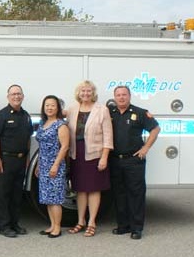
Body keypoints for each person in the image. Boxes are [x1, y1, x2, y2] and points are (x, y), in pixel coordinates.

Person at [109, 85, 160, 240]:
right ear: (115, 97)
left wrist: (145, 148)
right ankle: (123, 226)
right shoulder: (110, 113)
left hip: (134, 161)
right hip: (115, 160)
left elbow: (155, 129)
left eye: (124, 94)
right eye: (118, 95)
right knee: (119, 194)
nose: (121, 97)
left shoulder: (140, 112)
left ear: (129, 96)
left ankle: (137, 228)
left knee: (136, 194)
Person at [64, 80, 113, 237]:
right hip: (76, 154)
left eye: (88, 91)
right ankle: (80, 221)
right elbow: (57, 114)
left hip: (94, 154)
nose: (85, 94)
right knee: (80, 189)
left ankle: (92, 222)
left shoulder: (102, 110)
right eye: (82, 91)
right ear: (78, 93)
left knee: (93, 189)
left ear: (93, 93)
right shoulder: (72, 108)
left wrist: (104, 157)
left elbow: (108, 136)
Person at [0, 84, 34, 238]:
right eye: (13, 94)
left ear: (22, 96)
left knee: (17, 194)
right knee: (4, 194)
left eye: (19, 94)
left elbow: (28, 137)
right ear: (8, 96)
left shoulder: (26, 115)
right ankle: (4, 226)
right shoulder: (1, 115)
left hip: (21, 160)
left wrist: (27, 158)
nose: (16, 96)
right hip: (5, 160)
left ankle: (15, 224)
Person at [35, 95, 70, 238]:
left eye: (52, 105)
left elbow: (65, 147)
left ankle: (57, 228)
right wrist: (38, 165)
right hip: (43, 164)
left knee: (55, 198)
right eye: (47, 105)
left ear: (58, 108)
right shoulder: (43, 123)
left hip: (55, 165)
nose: (49, 108)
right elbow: (40, 147)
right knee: (47, 197)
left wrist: (55, 165)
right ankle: (51, 225)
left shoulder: (60, 125)